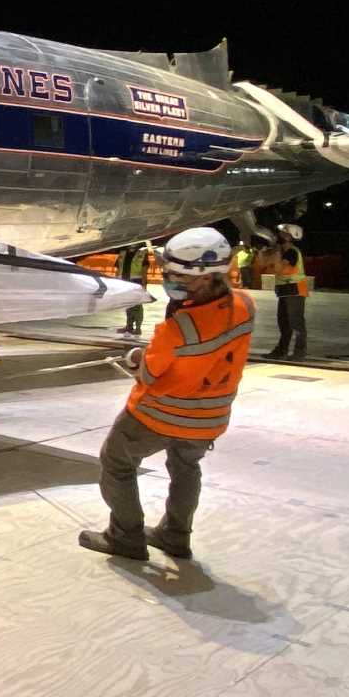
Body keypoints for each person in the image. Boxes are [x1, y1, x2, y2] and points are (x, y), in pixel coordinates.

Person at [81, 225, 254, 563]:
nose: (170, 279)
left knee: (116, 462)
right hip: (211, 418)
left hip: (157, 416)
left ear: (206, 277)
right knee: (186, 468)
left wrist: (135, 358)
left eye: (178, 275)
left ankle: (126, 538)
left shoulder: (177, 328)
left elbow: (148, 372)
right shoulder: (245, 306)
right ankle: (175, 536)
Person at [264, 224, 313, 359]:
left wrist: (277, 254)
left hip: (295, 291)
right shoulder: (282, 251)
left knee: (296, 323)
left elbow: (279, 269)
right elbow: (265, 263)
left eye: (283, 234)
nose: (279, 235)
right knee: (284, 323)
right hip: (285, 291)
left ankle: (299, 353)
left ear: (290, 237)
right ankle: (281, 351)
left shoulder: (292, 252)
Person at [114, 241, 152, 333]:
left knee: (137, 305)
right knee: (128, 304)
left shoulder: (142, 252)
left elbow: (144, 269)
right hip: (125, 281)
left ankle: (138, 328)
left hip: (136, 281)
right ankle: (129, 326)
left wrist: (144, 284)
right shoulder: (123, 252)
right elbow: (118, 268)